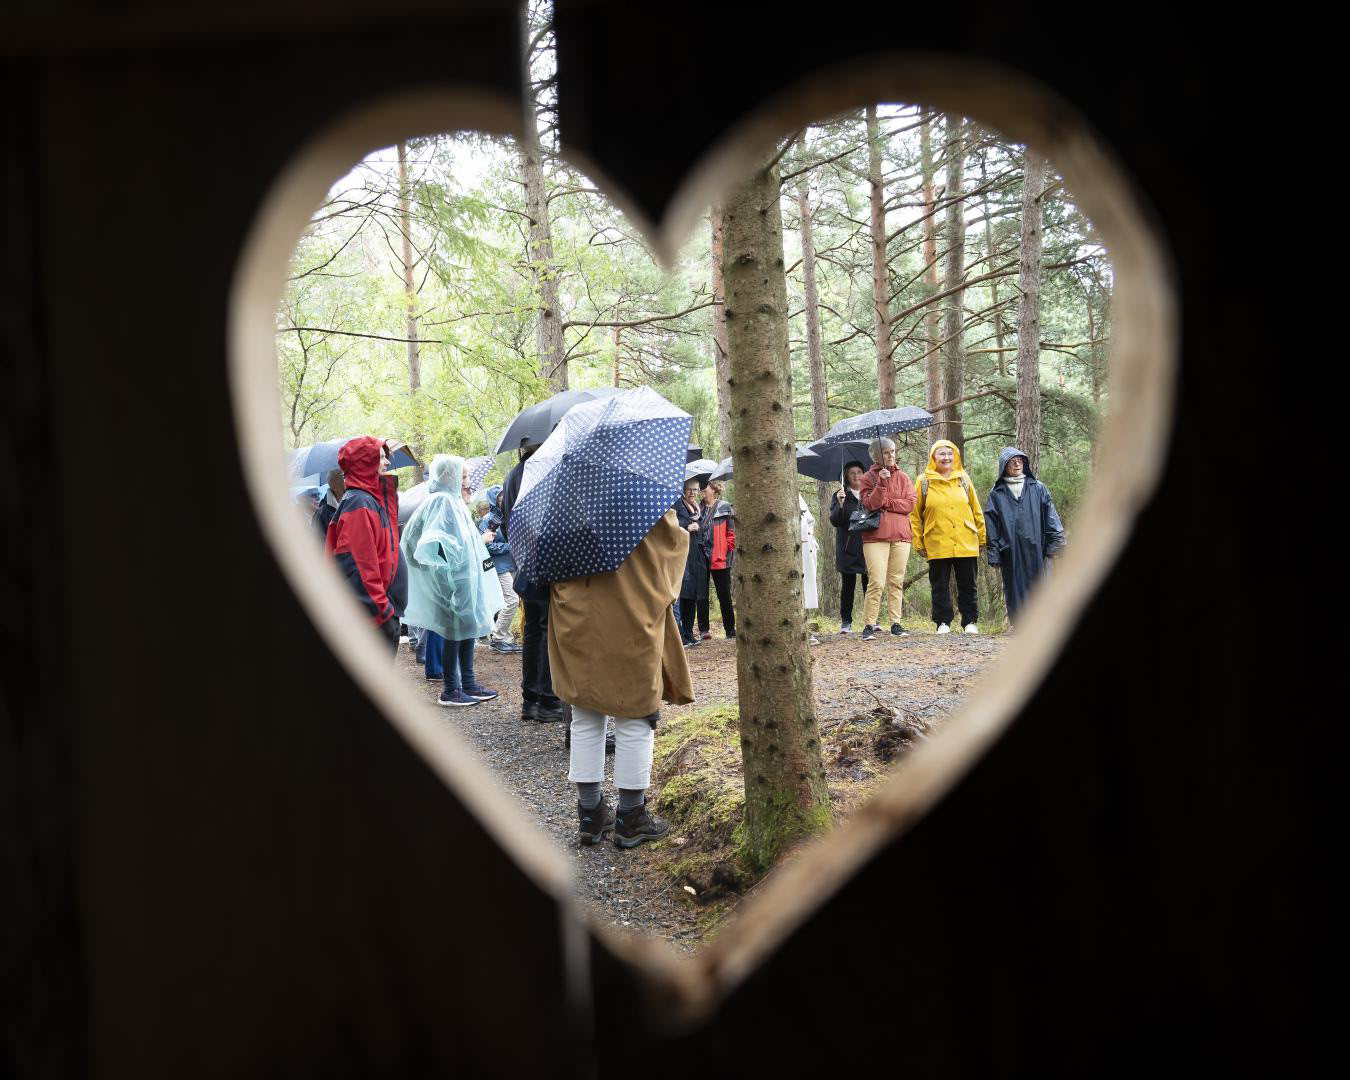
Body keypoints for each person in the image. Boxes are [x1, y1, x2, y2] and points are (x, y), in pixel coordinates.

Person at [549, 508, 695, 847]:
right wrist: (683, 531)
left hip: (576, 613)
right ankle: (631, 817)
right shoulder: (641, 496)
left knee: (585, 710)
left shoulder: (564, 500)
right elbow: (671, 546)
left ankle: (590, 815)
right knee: (636, 711)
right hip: (631, 609)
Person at [400, 455, 504, 707]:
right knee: (455, 633)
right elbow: (425, 542)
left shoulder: (453, 501)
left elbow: (461, 542)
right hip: (454, 584)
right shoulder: (442, 501)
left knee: (468, 629)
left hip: (464, 581)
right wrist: (443, 575)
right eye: (464, 476)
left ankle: (468, 683)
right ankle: (451, 689)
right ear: (450, 476)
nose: (468, 482)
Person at [501, 443, 567, 723]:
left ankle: (531, 700)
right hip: (547, 560)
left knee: (533, 629)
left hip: (524, 562)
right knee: (549, 628)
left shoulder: (512, 475)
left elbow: (507, 523)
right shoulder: (543, 469)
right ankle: (549, 700)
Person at [325, 437, 404, 654]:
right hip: (374, 621)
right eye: (381, 457)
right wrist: (382, 613)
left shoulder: (367, 500)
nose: (387, 462)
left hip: (377, 616)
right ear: (365, 462)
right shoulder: (359, 503)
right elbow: (358, 566)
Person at [982, 446, 1066, 626]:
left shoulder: (1038, 488)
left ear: (1024, 464)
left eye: (1019, 460)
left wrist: (1056, 544)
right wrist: (994, 554)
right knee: (1015, 589)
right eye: (1012, 461)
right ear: (1004, 466)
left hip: (1038, 548)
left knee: (1041, 586)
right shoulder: (997, 493)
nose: (1016, 464)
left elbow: (1051, 517)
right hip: (1010, 551)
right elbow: (991, 526)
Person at [911, 438, 987, 635]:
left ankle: (970, 621)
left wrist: (981, 538)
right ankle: (943, 622)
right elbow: (915, 515)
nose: (946, 457)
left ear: (955, 456)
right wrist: (918, 541)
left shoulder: (964, 479)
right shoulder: (923, 481)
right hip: (936, 540)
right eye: (941, 454)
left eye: (949, 453)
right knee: (939, 585)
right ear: (933, 457)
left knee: (968, 585)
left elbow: (976, 510)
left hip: (965, 539)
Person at [857, 436, 918, 641]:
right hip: (875, 537)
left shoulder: (904, 477)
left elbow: (910, 504)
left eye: (892, 451)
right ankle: (869, 625)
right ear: (876, 456)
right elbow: (871, 504)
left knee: (896, 581)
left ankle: (895, 623)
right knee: (876, 581)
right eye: (886, 452)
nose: (891, 455)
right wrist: (882, 483)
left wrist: (888, 503)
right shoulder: (867, 478)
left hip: (901, 535)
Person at [474, 485, 521, 654]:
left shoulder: (510, 514)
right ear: (494, 500)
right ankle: (498, 637)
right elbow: (488, 545)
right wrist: (510, 546)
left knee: (510, 600)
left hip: (512, 564)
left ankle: (506, 638)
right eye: (499, 497)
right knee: (512, 599)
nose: (503, 499)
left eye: (504, 495)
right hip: (499, 566)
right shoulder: (491, 520)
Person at [827, 460, 870, 633]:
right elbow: (835, 521)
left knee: (870, 584)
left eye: (859, 472)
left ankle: (871, 620)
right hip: (848, 546)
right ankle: (846, 622)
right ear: (846, 476)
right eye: (852, 473)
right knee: (848, 585)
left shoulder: (869, 493)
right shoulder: (840, 494)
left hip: (868, 544)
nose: (856, 476)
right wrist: (840, 504)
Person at [698, 480, 736, 640]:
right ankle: (704, 630)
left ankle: (730, 630)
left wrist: (726, 550)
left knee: (724, 594)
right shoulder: (697, 508)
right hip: (701, 555)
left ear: (713, 489)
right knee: (701, 594)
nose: (701, 490)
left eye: (704, 487)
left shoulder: (725, 507)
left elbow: (731, 532)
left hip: (720, 556)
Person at [674, 478, 708, 647]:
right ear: (683, 490)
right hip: (683, 555)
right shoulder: (677, 505)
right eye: (689, 489)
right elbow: (671, 525)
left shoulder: (697, 509)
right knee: (683, 594)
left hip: (696, 555)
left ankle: (689, 632)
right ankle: (681, 635)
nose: (692, 493)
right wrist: (686, 527)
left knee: (693, 594)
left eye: (695, 489)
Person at [311, 467, 344, 540]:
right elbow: (319, 543)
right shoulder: (322, 513)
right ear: (335, 486)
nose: (349, 482)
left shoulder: (351, 504)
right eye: (344, 478)